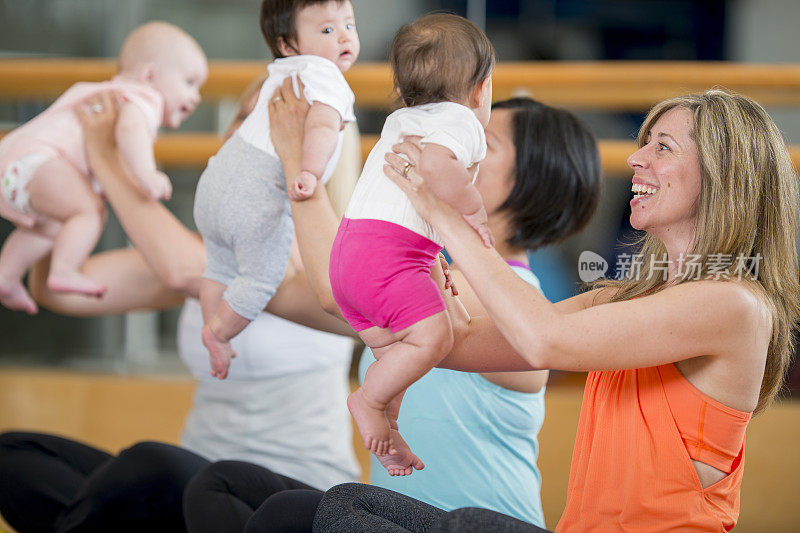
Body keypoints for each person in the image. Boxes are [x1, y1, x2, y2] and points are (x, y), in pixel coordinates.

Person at [310, 88, 799, 531]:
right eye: (644, 143)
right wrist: (415, 240)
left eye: (662, 147)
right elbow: (456, 341)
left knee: (466, 528)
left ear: (723, 172)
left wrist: (442, 210)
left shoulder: (733, 303)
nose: (635, 158)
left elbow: (544, 341)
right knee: (339, 506)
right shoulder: (622, 297)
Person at [180, 92, 601, 531]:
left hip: (469, 526)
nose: (456, 147)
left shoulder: (511, 301)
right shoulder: (427, 276)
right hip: (390, 519)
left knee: (280, 515)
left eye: (484, 142)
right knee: (223, 484)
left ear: (533, 185)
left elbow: (332, 290)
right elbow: (289, 290)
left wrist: (298, 163)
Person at [0, 74, 360, 532]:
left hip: (291, 501)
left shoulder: (330, 265)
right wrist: (62, 193)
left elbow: (179, 268)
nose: (240, 133)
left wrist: (106, 157)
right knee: (17, 456)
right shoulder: (204, 251)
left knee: (153, 466)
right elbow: (55, 290)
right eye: (241, 118)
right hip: (193, 491)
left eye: (268, 121)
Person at [331, 13, 496, 466]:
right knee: (433, 340)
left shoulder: (399, 120)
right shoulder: (463, 122)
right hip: (388, 257)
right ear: (481, 89)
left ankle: (386, 425)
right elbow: (437, 167)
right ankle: (366, 402)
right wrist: (473, 210)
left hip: (348, 253)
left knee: (397, 360)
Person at [195, 0, 359, 379]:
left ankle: (211, 320)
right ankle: (218, 333)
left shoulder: (282, 74)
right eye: (328, 30)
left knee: (219, 264)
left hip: (217, 181)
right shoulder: (326, 77)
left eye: (349, 25)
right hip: (258, 191)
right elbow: (321, 126)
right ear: (288, 44)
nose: (345, 36)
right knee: (260, 276)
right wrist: (309, 173)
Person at [0, 22, 207, 313]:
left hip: (18, 167)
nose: (196, 97)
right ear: (149, 76)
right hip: (38, 162)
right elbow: (130, 130)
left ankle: (7, 276)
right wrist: (145, 174)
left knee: (54, 226)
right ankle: (65, 269)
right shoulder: (142, 98)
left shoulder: (110, 94)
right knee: (90, 211)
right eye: (189, 83)